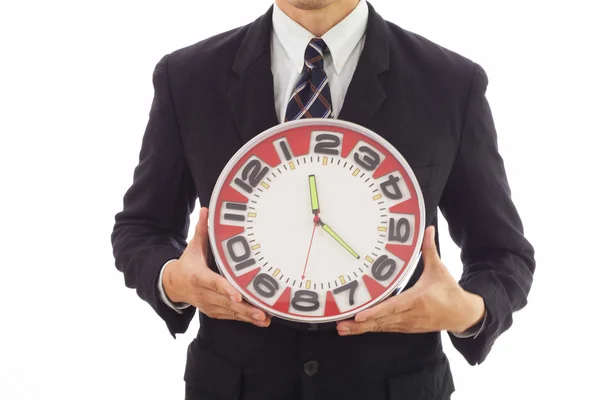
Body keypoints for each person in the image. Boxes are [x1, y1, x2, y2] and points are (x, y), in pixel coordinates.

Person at [111, 0, 536, 398]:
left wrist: (466, 310)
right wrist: (172, 280)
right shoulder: (187, 77)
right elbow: (142, 227)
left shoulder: (450, 84)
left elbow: (503, 254)